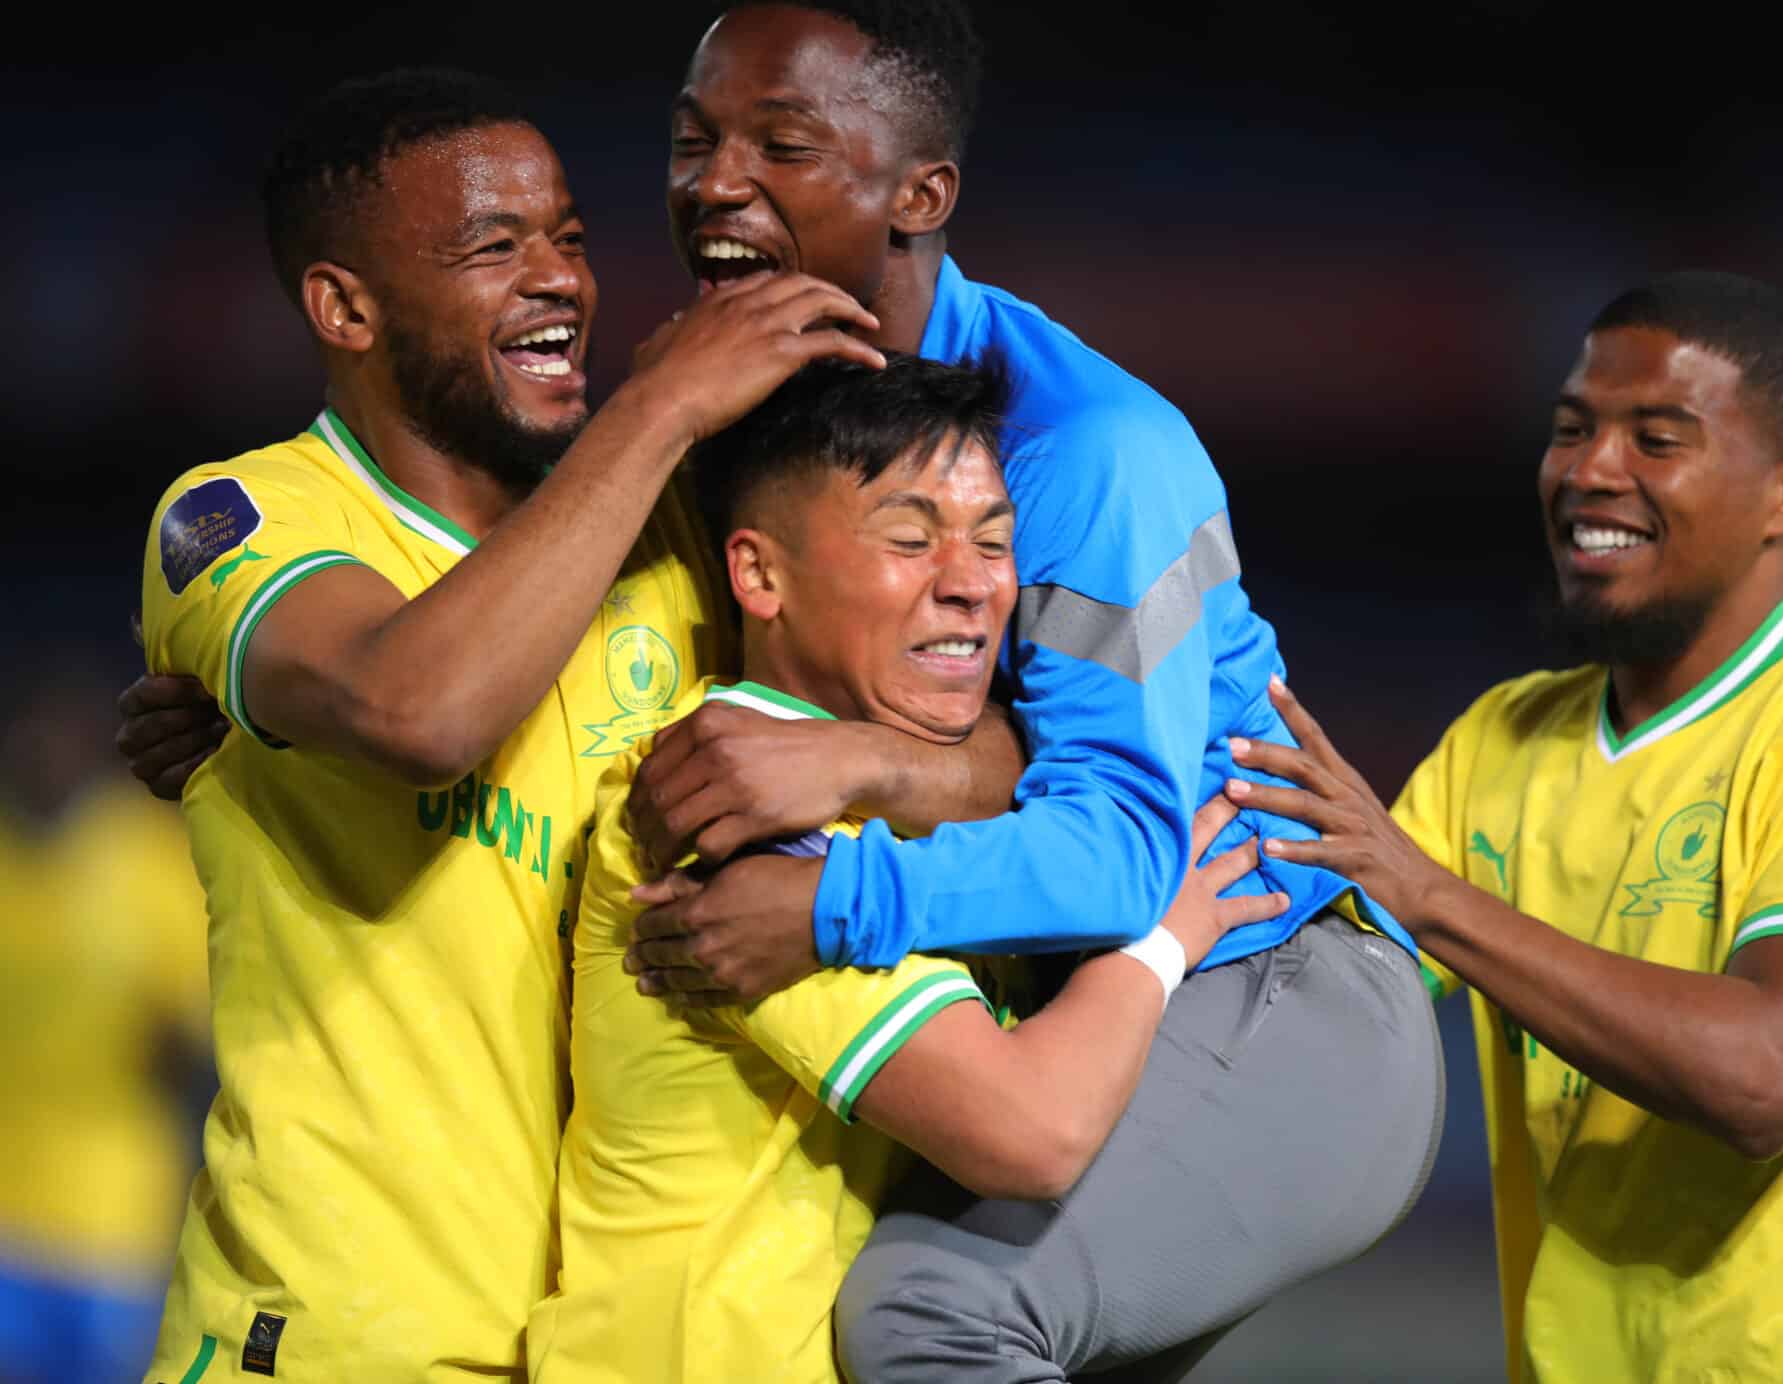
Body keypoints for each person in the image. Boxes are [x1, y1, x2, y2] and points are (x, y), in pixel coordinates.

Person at [609, 3, 1444, 1377]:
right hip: (1082, 1005)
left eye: (782, 145)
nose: (716, 182)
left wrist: (834, 900)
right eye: (695, 141)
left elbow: (1130, 850)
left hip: (1261, 987)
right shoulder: (728, 411)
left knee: (931, 1316)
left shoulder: (1087, 455)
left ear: (919, 194)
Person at [135, 67, 896, 1380]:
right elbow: (417, 707)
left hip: (617, 1345)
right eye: (495, 248)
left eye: (571, 239)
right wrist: (657, 406)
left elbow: (986, 733)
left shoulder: (676, 535)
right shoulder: (241, 518)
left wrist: (861, 756)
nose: (560, 279)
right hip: (331, 1338)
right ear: (345, 306)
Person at [1225, 272, 1783, 1383]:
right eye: (1570, 428)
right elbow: (1301, 1009)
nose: (1590, 469)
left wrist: (1433, 897)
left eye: (1655, 437)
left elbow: (1764, 1073)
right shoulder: (1498, 741)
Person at [529, 353, 1283, 1383]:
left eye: (993, 542)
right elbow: (1030, 1130)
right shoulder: (723, 813)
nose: (971, 584)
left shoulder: (906, 793)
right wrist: (1161, 933)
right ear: (758, 574)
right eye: (909, 539)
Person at [0, 651, 210, 1384]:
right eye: (32, 733)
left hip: (114, 1220)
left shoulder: (151, 861)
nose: (45, 753)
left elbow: (198, 1040)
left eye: (64, 736)